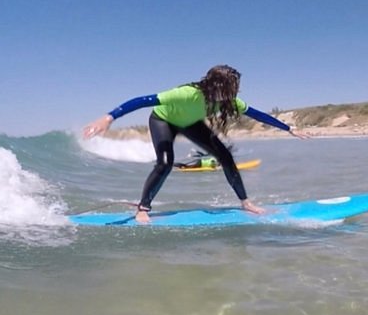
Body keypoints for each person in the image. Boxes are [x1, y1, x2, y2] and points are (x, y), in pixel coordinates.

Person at [83, 65, 308, 223]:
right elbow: (143, 100)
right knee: (164, 163)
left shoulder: (231, 102)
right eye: (231, 88)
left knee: (226, 157)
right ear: (215, 86)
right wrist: (109, 117)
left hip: (190, 123)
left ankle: (246, 203)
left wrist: (289, 128)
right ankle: (143, 208)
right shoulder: (186, 93)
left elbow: (258, 115)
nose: (235, 93)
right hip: (163, 120)